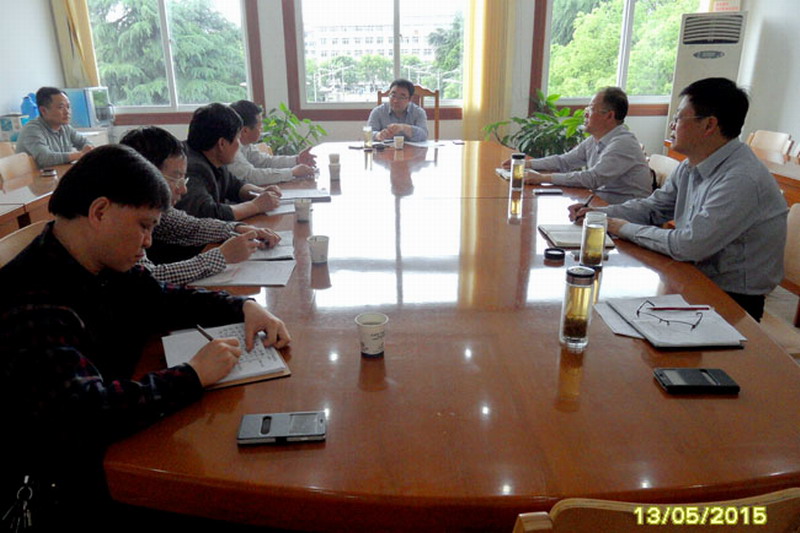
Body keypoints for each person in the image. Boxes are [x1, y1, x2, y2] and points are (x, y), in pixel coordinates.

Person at [0, 144, 290, 530]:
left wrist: (243, 307)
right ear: (99, 212)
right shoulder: (33, 300)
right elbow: (86, 412)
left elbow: (161, 298)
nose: (149, 241)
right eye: (144, 226)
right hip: (73, 484)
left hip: (118, 434)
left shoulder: (97, 258)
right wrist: (192, 375)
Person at [569, 78, 787, 321]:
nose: (672, 125)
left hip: (731, 299)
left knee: (614, 320)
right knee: (606, 309)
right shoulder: (693, 164)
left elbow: (689, 245)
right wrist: (601, 214)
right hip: (691, 277)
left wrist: (622, 227)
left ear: (709, 125)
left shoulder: (741, 179)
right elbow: (654, 207)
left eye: (679, 118)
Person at [120, 126, 281, 284]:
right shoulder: (123, 219)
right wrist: (221, 256)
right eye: (176, 178)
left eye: (184, 179)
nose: (183, 189)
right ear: (146, 176)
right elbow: (147, 281)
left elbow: (191, 227)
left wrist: (237, 228)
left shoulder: (150, 207)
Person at [504, 87, 651, 204]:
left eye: (591, 109)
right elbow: (564, 161)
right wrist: (526, 164)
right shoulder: (594, 139)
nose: (585, 114)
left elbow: (592, 179)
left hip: (625, 213)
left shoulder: (623, 143)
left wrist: (542, 178)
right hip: (600, 204)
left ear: (609, 115)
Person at [175, 103, 281, 221]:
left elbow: (234, 185)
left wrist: (260, 192)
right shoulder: (190, 167)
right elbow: (207, 213)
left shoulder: (213, 158)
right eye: (237, 138)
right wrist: (256, 206)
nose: (239, 145)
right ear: (222, 144)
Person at [228, 99, 317, 185]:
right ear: (245, 131)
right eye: (260, 126)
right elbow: (251, 176)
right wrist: (292, 172)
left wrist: (296, 160)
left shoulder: (245, 144)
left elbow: (265, 162)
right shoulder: (230, 148)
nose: (262, 129)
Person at [15, 86, 93, 167]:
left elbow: (86, 143)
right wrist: (80, 155)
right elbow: (45, 158)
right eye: (61, 107)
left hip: (59, 173)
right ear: (43, 110)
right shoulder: (31, 130)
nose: (67, 112)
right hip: (34, 175)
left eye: (68, 107)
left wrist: (88, 149)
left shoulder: (65, 128)